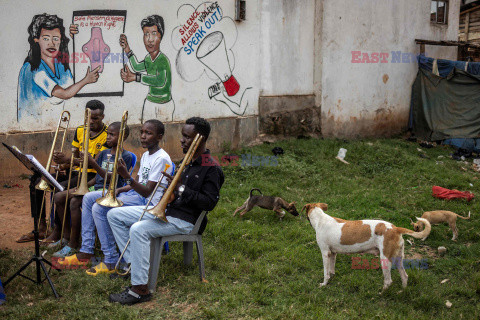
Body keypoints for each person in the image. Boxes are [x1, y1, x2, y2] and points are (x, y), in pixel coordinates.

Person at [107, 117, 225, 305]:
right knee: (114, 214)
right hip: (168, 212)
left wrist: (179, 189)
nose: (181, 140)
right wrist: (170, 192)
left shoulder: (211, 168)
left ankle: (140, 290)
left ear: (199, 139)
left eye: (187, 137)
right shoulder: (187, 161)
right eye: (182, 136)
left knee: (138, 229)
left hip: (186, 220)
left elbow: (209, 203)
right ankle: (132, 266)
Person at [59, 119, 173, 276]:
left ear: (159, 136)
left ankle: (111, 258)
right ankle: (86, 250)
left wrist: (126, 177)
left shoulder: (161, 158)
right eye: (142, 132)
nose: (143, 136)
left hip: (146, 202)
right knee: (89, 198)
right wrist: (119, 189)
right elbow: (138, 182)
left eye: (148, 133)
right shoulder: (147, 155)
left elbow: (147, 192)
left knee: (99, 208)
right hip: (134, 194)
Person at [16, 100, 107, 244]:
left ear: (102, 117)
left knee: (60, 188)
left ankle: (59, 231)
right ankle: (40, 226)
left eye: (95, 118)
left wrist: (68, 160)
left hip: (90, 176)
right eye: (88, 117)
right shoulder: (80, 130)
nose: (90, 121)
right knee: (38, 181)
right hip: (76, 171)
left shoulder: (107, 135)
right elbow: (76, 155)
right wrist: (64, 165)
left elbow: (94, 162)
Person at [51, 122, 132, 258]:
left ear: (122, 137)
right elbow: (97, 179)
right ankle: (66, 236)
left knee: (75, 202)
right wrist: (85, 186)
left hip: (110, 191)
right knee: (59, 197)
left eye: (112, 135)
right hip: (96, 188)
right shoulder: (104, 153)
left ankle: (74, 243)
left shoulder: (126, 156)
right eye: (108, 134)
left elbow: (112, 179)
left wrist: (93, 163)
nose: (108, 137)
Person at [17, 13, 99, 121]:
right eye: (46, 38)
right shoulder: (32, 69)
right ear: (36, 40)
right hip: (35, 126)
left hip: (56, 125)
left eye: (55, 38)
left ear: (61, 40)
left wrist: (77, 36)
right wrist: (86, 80)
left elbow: (71, 85)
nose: (51, 43)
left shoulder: (60, 65)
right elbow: (64, 93)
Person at [120, 15, 174, 123]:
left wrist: (135, 77)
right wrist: (127, 48)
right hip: (150, 102)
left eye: (154, 34)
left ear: (161, 36)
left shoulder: (162, 60)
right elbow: (136, 67)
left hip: (164, 105)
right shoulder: (148, 58)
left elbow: (159, 81)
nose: (149, 39)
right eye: (146, 34)